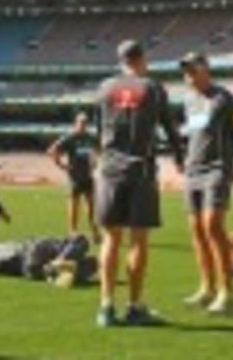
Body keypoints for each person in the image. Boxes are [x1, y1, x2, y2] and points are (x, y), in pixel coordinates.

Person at [94, 39, 184, 328]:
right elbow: (170, 128)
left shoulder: (104, 88)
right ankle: (134, 306)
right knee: (138, 241)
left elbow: (99, 130)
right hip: (140, 170)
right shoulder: (153, 88)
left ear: (120, 59)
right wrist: (180, 157)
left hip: (109, 169)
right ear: (142, 58)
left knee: (110, 239)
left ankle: (106, 307)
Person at [179, 51, 233, 314]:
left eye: (192, 69)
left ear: (205, 69)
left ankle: (228, 292)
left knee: (213, 226)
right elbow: (193, 134)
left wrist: (228, 161)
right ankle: (207, 288)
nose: (188, 75)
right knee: (196, 230)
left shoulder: (224, 99)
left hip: (217, 169)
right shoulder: (188, 100)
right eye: (185, 71)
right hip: (193, 171)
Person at [48, 111, 100, 242]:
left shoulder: (90, 137)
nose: (84, 125)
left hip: (87, 175)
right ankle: (73, 232)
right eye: (81, 122)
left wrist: (95, 161)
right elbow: (52, 150)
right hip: (74, 177)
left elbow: (99, 148)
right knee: (74, 206)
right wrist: (61, 165)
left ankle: (94, 231)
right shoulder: (70, 138)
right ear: (76, 123)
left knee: (92, 205)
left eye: (86, 122)